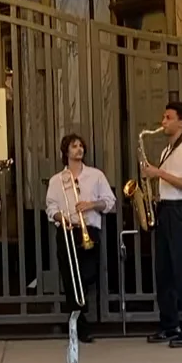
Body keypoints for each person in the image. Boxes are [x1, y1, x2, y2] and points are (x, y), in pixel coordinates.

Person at [141, 100, 182, 347]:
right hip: (167, 210)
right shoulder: (166, 150)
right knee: (164, 271)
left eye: (168, 117)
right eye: (163, 117)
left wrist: (157, 173)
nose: (163, 122)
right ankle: (169, 325)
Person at [44, 132, 116, 344]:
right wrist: (60, 217)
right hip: (67, 230)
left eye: (81, 146)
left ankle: (78, 313)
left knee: (87, 274)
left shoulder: (96, 175)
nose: (79, 149)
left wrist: (91, 205)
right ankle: (78, 324)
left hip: (89, 230)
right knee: (70, 277)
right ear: (65, 151)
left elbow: (109, 201)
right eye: (74, 146)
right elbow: (51, 207)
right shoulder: (57, 180)